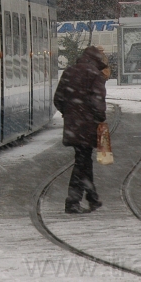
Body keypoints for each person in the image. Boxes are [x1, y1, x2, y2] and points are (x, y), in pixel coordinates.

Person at [54, 45, 109, 214]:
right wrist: (99, 118)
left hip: (73, 125)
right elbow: (98, 102)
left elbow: (58, 99)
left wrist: (70, 114)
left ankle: (92, 197)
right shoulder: (95, 75)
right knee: (82, 162)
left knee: (84, 160)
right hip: (88, 126)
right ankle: (73, 201)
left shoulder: (69, 72)